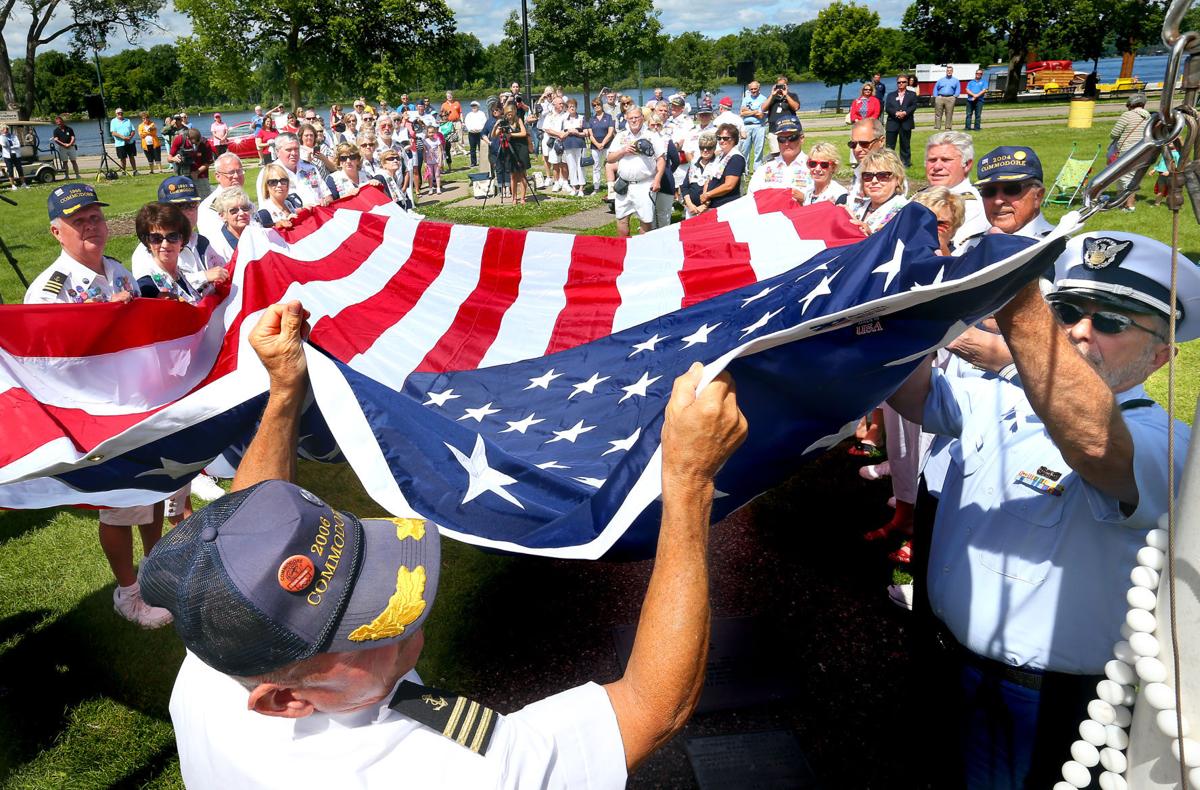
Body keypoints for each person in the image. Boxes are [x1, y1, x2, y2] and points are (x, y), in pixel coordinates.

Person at [141, 295, 747, 788]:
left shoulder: (223, 655)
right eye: (367, 623)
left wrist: (283, 394)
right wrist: (687, 484)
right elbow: (648, 709)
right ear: (282, 702)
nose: (410, 606)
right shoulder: (446, 771)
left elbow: (251, 539)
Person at [888, 232, 1200, 788]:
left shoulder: (1168, 446)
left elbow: (1095, 445)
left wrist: (1012, 299)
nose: (1081, 330)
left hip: (1045, 700)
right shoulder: (1005, 398)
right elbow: (915, 396)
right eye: (1069, 312)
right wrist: (899, 311)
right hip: (946, 659)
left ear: (1161, 356)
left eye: (1110, 322)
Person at [921, 131, 989, 247]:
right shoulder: (923, 194)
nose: (937, 167)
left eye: (946, 160)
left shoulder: (970, 208)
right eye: (932, 160)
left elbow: (956, 256)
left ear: (967, 164)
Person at [971, 145, 1053, 240]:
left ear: (1038, 197)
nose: (998, 201)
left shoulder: (1060, 248)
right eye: (989, 191)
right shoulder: (970, 247)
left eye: (1011, 190)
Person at [609, 106, 665, 236]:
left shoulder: (651, 135)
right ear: (626, 120)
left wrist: (657, 179)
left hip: (644, 185)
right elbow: (610, 158)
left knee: (645, 221)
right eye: (631, 118)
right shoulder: (620, 135)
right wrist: (623, 150)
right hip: (624, 184)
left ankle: (642, 250)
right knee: (621, 220)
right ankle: (623, 250)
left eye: (636, 117)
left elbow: (661, 159)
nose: (634, 120)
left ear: (642, 118)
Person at [255, 132, 332, 209]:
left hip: (319, 215)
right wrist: (298, 210)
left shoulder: (310, 168)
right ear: (277, 151)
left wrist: (325, 201)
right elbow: (266, 207)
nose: (294, 153)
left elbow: (327, 195)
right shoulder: (268, 173)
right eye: (289, 150)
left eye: (296, 149)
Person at [746, 119, 812, 200]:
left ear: (801, 138)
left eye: (792, 138)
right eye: (782, 139)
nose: (786, 143)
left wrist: (804, 199)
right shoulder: (764, 169)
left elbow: (823, 201)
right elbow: (750, 198)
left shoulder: (814, 167)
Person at [849, 148, 907, 234]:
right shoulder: (856, 205)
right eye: (868, 175)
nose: (874, 181)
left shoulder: (904, 212)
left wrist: (870, 235)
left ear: (897, 179)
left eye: (882, 175)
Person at [1110, 93, 1152, 211]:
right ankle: (1120, 202)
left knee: (1124, 177)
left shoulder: (1127, 115)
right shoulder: (1149, 116)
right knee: (1130, 176)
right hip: (1142, 150)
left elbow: (1114, 133)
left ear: (1130, 104)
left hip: (1126, 150)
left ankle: (1129, 205)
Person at [700, 123, 745, 210]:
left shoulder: (736, 158)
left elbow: (729, 185)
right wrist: (706, 197)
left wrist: (708, 194)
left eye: (725, 138)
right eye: (719, 138)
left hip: (727, 205)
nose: (721, 141)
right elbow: (709, 178)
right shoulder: (719, 156)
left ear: (734, 139)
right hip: (712, 204)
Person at [910, 187, 965, 257]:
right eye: (924, 222)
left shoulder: (962, 262)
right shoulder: (898, 253)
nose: (931, 229)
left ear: (954, 227)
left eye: (940, 223)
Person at [844, 118, 886, 205]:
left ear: (881, 141)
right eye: (853, 144)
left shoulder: (889, 177)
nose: (857, 149)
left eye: (864, 143)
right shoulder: (858, 172)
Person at [498, 101, 531, 205]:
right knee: (513, 175)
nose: (509, 115)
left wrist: (511, 135)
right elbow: (496, 134)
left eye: (511, 112)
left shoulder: (519, 120)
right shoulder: (504, 122)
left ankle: (523, 198)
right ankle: (514, 198)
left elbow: (524, 133)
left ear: (514, 112)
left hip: (521, 148)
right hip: (510, 149)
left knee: (522, 174)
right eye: (507, 113)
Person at [761, 75, 801, 157]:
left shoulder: (792, 95)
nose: (780, 88)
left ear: (787, 86)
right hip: (774, 129)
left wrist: (786, 95)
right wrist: (772, 95)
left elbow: (796, 107)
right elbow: (763, 108)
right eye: (779, 85)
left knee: (789, 151)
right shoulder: (772, 97)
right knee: (776, 153)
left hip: (789, 129)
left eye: (782, 86)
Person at [169, 128, 214, 198]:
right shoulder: (180, 140)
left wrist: (197, 172)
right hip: (183, 175)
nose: (196, 145)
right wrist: (173, 158)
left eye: (198, 142)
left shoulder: (205, 143)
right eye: (194, 143)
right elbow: (169, 158)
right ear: (188, 138)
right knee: (184, 199)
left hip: (200, 175)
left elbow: (208, 162)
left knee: (204, 198)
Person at [210, 187, 254, 259]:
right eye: (234, 211)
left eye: (245, 208)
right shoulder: (218, 246)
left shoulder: (258, 234)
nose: (242, 213)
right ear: (222, 216)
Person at [884, 74, 918, 167]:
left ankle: (906, 163)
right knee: (890, 146)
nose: (901, 84)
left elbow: (914, 106)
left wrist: (905, 113)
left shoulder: (912, 94)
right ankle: (889, 163)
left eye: (903, 82)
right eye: (899, 82)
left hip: (906, 123)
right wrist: (896, 113)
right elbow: (888, 108)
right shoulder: (891, 95)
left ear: (907, 83)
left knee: (905, 144)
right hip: (892, 123)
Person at [682, 132, 717, 218]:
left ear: (714, 148)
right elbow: (685, 187)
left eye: (709, 147)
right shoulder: (694, 164)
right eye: (702, 147)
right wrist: (690, 205)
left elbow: (718, 189)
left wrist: (704, 206)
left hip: (710, 209)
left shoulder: (717, 164)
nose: (705, 150)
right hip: (691, 210)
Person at [587, 98, 615, 196]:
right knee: (596, 167)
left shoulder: (608, 117)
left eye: (598, 104)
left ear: (601, 105)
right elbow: (590, 135)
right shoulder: (591, 119)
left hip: (607, 145)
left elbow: (610, 132)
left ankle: (612, 186)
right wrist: (597, 144)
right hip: (595, 146)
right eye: (594, 105)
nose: (596, 107)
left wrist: (603, 143)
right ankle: (596, 187)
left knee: (610, 165)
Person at [560, 98, 587, 197]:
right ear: (567, 108)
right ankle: (574, 187)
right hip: (568, 145)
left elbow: (586, 133)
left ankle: (581, 188)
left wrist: (577, 133)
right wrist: (568, 132)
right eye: (570, 107)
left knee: (580, 166)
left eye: (573, 106)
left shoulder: (581, 118)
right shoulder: (564, 119)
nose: (572, 108)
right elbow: (561, 133)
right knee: (571, 166)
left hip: (579, 144)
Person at [739, 81, 767, 172]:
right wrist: (755, 111)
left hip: (759, 126)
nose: (753, 91)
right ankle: (745, 171)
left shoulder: (763, 99)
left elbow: (761, 115)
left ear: (759, 88)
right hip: (746, 126)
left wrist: (749, 111)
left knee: (758, 150)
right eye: (751, 89)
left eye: (755, 89)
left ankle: (757, 170)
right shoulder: (746, 99)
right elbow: (742, 113)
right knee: (744, 149)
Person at [109, 108, 139, 176]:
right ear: (116, 114)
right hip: (120, 143)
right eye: (119, 113)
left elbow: (133, 130)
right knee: (122, 158)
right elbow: (113, 133)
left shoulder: (128, 120)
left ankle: (135, 171)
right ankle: (123, 171)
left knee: (131, 156)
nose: (120, 114)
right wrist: (123, 137)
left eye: (121, 113)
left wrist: (130, 137)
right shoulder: (113, 121)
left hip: (130, 142)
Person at [932, 66, 959, 131]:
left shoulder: (956, 80)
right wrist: (936, 96)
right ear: (946, 71)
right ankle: (937, 127)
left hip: (950, 98)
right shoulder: (940, 80)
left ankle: (948, 127)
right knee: (938, 113)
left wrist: (955, 96)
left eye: (950, 70)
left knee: (949, 113)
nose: (949, 72)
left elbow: (958, 89)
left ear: (952, 72)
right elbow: (935, 88)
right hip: (940, 97)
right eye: (948, 70)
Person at [0, 124, 26, 189]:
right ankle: (13, 185)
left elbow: (18, 145)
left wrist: (11, 146)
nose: (6, 130)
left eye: (7, 129)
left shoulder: (13, 136)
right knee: (10, 170)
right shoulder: (1, 137)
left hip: (16, 155)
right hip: (7, 156)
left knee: (19, 169)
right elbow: (4, 145)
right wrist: (13, 146)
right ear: (1, 130)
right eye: (4, 129)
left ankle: (23, 183)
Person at [464, 100, 487, 168]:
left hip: (480, 132)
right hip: (472, 133)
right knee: (472, 148)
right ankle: (473, 162)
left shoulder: (482, 113)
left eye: (475, 106)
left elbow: (484, 122)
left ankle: (483, 161)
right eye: (472, 106)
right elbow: (467, 123)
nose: (474, 107)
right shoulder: (469, 115)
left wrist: (480, 129)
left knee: (481, 148)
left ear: (478, 106)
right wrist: (470, 129)